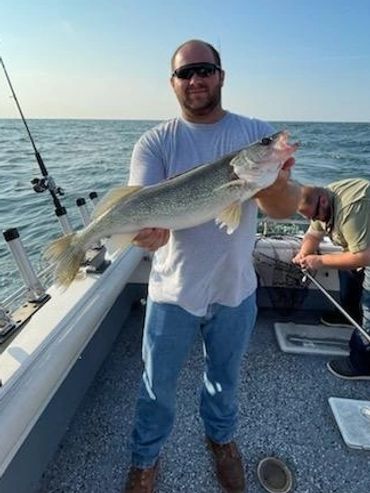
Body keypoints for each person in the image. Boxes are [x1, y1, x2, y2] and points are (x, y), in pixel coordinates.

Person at [123, 39, 301, 493]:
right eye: (185, 73)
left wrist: (272, 177)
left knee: (223, 379)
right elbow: (142, 204)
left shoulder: (253, 133)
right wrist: (149, 231)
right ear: (173, 83)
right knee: (155, 388)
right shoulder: (155, 142)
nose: (195, 80)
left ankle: (221, 442)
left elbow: (283, 209)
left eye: (204, 70)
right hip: (171, 292)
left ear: (221, 75)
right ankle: (145, 461)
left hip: (234, 289)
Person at [293, 178, 370, 381]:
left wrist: (319, 260)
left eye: (316, 215)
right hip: (362, 242)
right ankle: (348, 314)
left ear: (323, 202)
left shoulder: (349, 210)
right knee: (346, 266)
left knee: (369, 304)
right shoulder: (321, 200)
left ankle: (362, 363)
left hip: (368, 251)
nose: (317, 220)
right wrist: (304, 254)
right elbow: (313, 234)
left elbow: (364, 257)